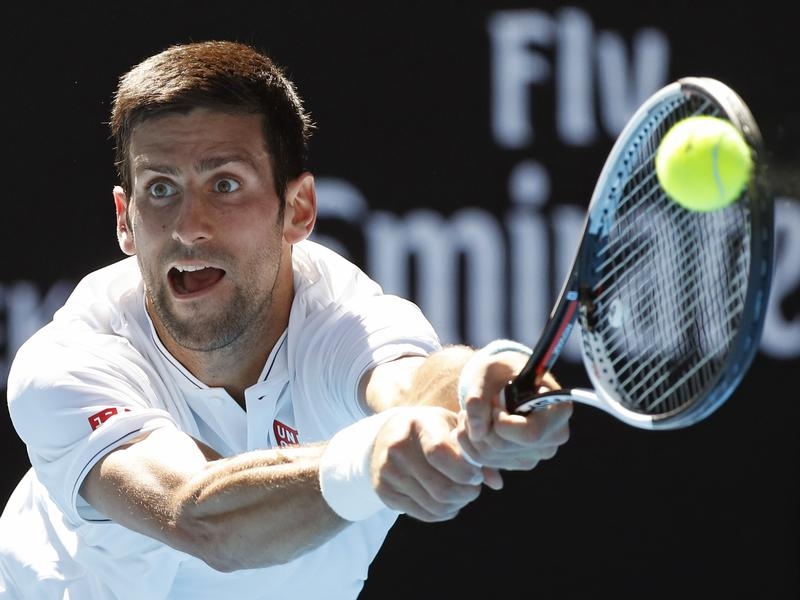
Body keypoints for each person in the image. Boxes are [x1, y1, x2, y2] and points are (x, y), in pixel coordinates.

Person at [0, 40, 571, 599]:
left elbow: (412, 382)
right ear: (125, 220)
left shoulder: (341, 316)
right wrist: (365, 460)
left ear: (297, 209)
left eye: (225, 184)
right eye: (161, 189)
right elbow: (198, 515)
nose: (188, 227)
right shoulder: (66, 366)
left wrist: (478, 388)